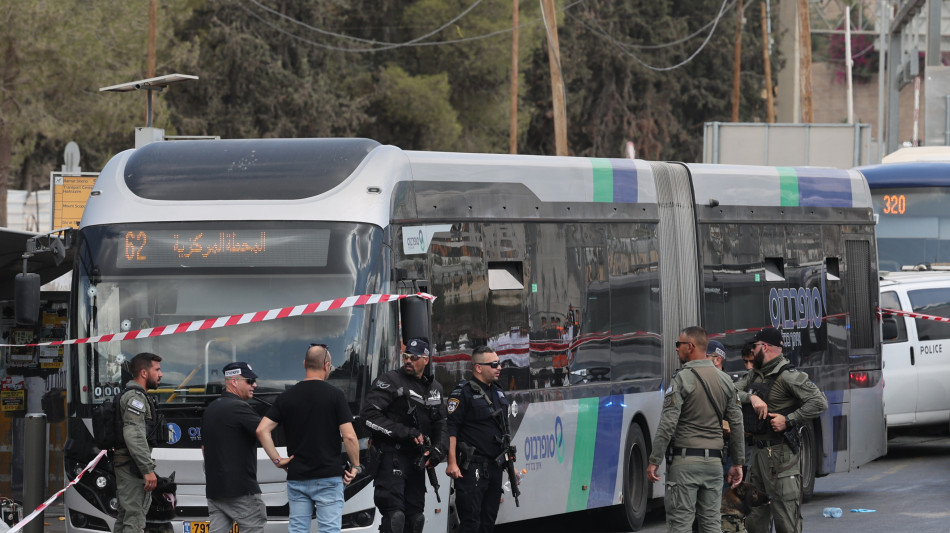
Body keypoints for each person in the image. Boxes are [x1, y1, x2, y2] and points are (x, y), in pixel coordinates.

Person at [646, 327, 745, 533]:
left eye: (678, 345)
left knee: (680, 525)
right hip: (714, 465)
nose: (676, 349)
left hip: (685, 465)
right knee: (711, 524)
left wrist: (654, 460)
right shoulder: (725, 380)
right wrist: (737, 463)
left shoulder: (682, 379)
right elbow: (736, 424)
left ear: (690, 347)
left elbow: (667, 424)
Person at [256, 344, 361, 533]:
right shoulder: (335, 396)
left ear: (304, 364)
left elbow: (262, 430)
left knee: (298, 529)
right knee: (329, 530)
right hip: (328, 476)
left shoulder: (287, 397)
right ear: (327, 365)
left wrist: (278, 461)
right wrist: (355, 466)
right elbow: (349, 436)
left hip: (298, 477)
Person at [734, 328, 828, 533]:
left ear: (764, 347)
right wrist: (751, 398)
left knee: (786, 519)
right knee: (754, 520)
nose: (752, 350)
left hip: (781, 457)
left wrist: (789, 419)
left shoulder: (789, 376)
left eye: (754, 346)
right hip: (758, 456)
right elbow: (730, 393)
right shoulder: (754, 375)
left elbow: (819, 403)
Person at [361, 339, 448, 533]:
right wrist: (405, 432)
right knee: (395, 519)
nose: (408, 361)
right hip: (392, 457)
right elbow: (368, 416)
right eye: (406, 356)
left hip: (417, 460)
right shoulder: (390, 380)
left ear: (425, 360)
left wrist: (438, 450)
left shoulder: (436, 388)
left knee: (416, 519)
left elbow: (442, 424)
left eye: (414, 358)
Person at [446, 346, 511, 533]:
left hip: (495, 466)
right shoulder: (463, 393)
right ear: (478, 368)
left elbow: (503, 428)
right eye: (494, 364)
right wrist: (451, 463)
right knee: (471, 523)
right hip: (472, 467)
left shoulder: (498, 392)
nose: (499, 368)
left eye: (499, 364)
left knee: (488, 522)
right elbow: (451, 430)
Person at [202, 362, 267, 533]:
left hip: (215, 490)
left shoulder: (211, 409)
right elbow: (264, 431)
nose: (255, 385)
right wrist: (279, 459)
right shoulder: (239, 408)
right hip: (240, 490)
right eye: (250, 381)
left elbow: (204, 448)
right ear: (234, 382)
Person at [114, 352, 163, 533]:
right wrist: (147, 469)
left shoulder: (137, 395)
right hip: (131, 467)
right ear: (144, 373)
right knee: (134, 520)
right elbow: (134, 434)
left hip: (129, 465)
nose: (161, 374)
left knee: (125, 520)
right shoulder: (136, 398)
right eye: (156, 370)